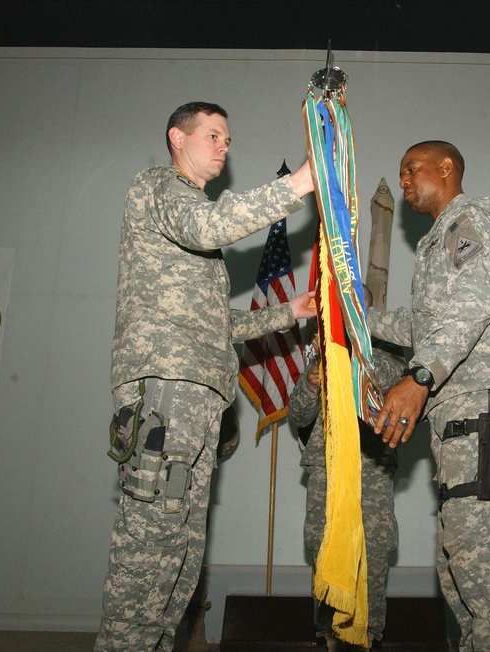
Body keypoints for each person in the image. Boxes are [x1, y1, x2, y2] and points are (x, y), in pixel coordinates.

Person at [95, 101, 316, 652]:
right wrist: (300, 185)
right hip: (167, 391)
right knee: (148, 554)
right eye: (214, 135)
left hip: (196, 399)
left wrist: (292, 312)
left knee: (179, 561)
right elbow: (208, 224)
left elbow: (220, 323)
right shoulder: (160, 190)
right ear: (177, 137)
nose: (225, 147)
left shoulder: (191, 222)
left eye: (227, 139)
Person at [368, 141, 490, 652]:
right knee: (457, 561)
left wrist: (419, 378)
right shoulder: (436, 243)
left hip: (487, 395)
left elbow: (474, 303)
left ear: (446, 168)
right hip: (463, 404)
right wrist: (355, 320)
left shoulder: (469, 217)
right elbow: (422, 324)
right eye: (400, 173)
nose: (403, 181)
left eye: (411, 169)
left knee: (479, 554)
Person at [289, 310, 405, 651]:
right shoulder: (322, 357)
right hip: (327, 468)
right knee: (326, 551)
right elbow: (297, 414)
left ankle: (369, 635)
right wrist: (313, 382)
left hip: (372, 467)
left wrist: (352, 354)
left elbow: (395, 376)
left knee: (374, 550)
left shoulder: (386, 352)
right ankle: (328, 636)